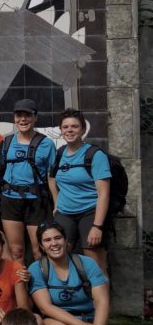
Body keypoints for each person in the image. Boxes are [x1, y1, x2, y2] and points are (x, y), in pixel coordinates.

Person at [27, 222, 117, 325]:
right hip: (59, 320)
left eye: (58, 238)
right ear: (41, 246)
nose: (54, 243)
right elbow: (45, 307)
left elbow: (102, 301)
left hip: (88, 318)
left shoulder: (86, 263)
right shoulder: (37, 268)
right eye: (47, 240)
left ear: (66, 240)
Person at [50, 108, 112, 269]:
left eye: (75, 126)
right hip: (65, 213)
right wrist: (56, 203)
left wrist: (97, 227)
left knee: (95, 265)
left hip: (90, 212)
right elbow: (51, 177)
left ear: (83, 129)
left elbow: (104, 194)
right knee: (60, 258)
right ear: (61, 130)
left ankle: (100, 288)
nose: (69, 130)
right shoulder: (59, 153)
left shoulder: (95, 155)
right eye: (65, 127)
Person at [0, 98, 57, 262]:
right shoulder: (7, 141)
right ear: (14, 118)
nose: (23, 120)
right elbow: (0, 167)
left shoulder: (47, 144)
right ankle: (20, 279)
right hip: (10, 199)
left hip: (35, 201)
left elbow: (51, 176)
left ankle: (41, 279)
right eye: (19, 115)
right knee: (16, 251)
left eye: (27, 115)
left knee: (39, 250)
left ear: (35, 117)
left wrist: (57, 203)